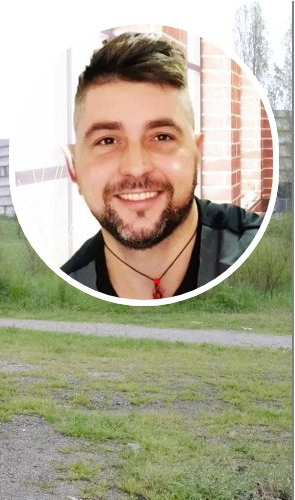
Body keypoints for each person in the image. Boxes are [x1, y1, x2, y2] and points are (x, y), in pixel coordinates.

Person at [62, 32, 262, 300]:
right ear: (73, 166)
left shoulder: (255, 246)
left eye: (162, 137)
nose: (136, 167)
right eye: (107, 140)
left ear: (197, 153)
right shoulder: (67, 287)